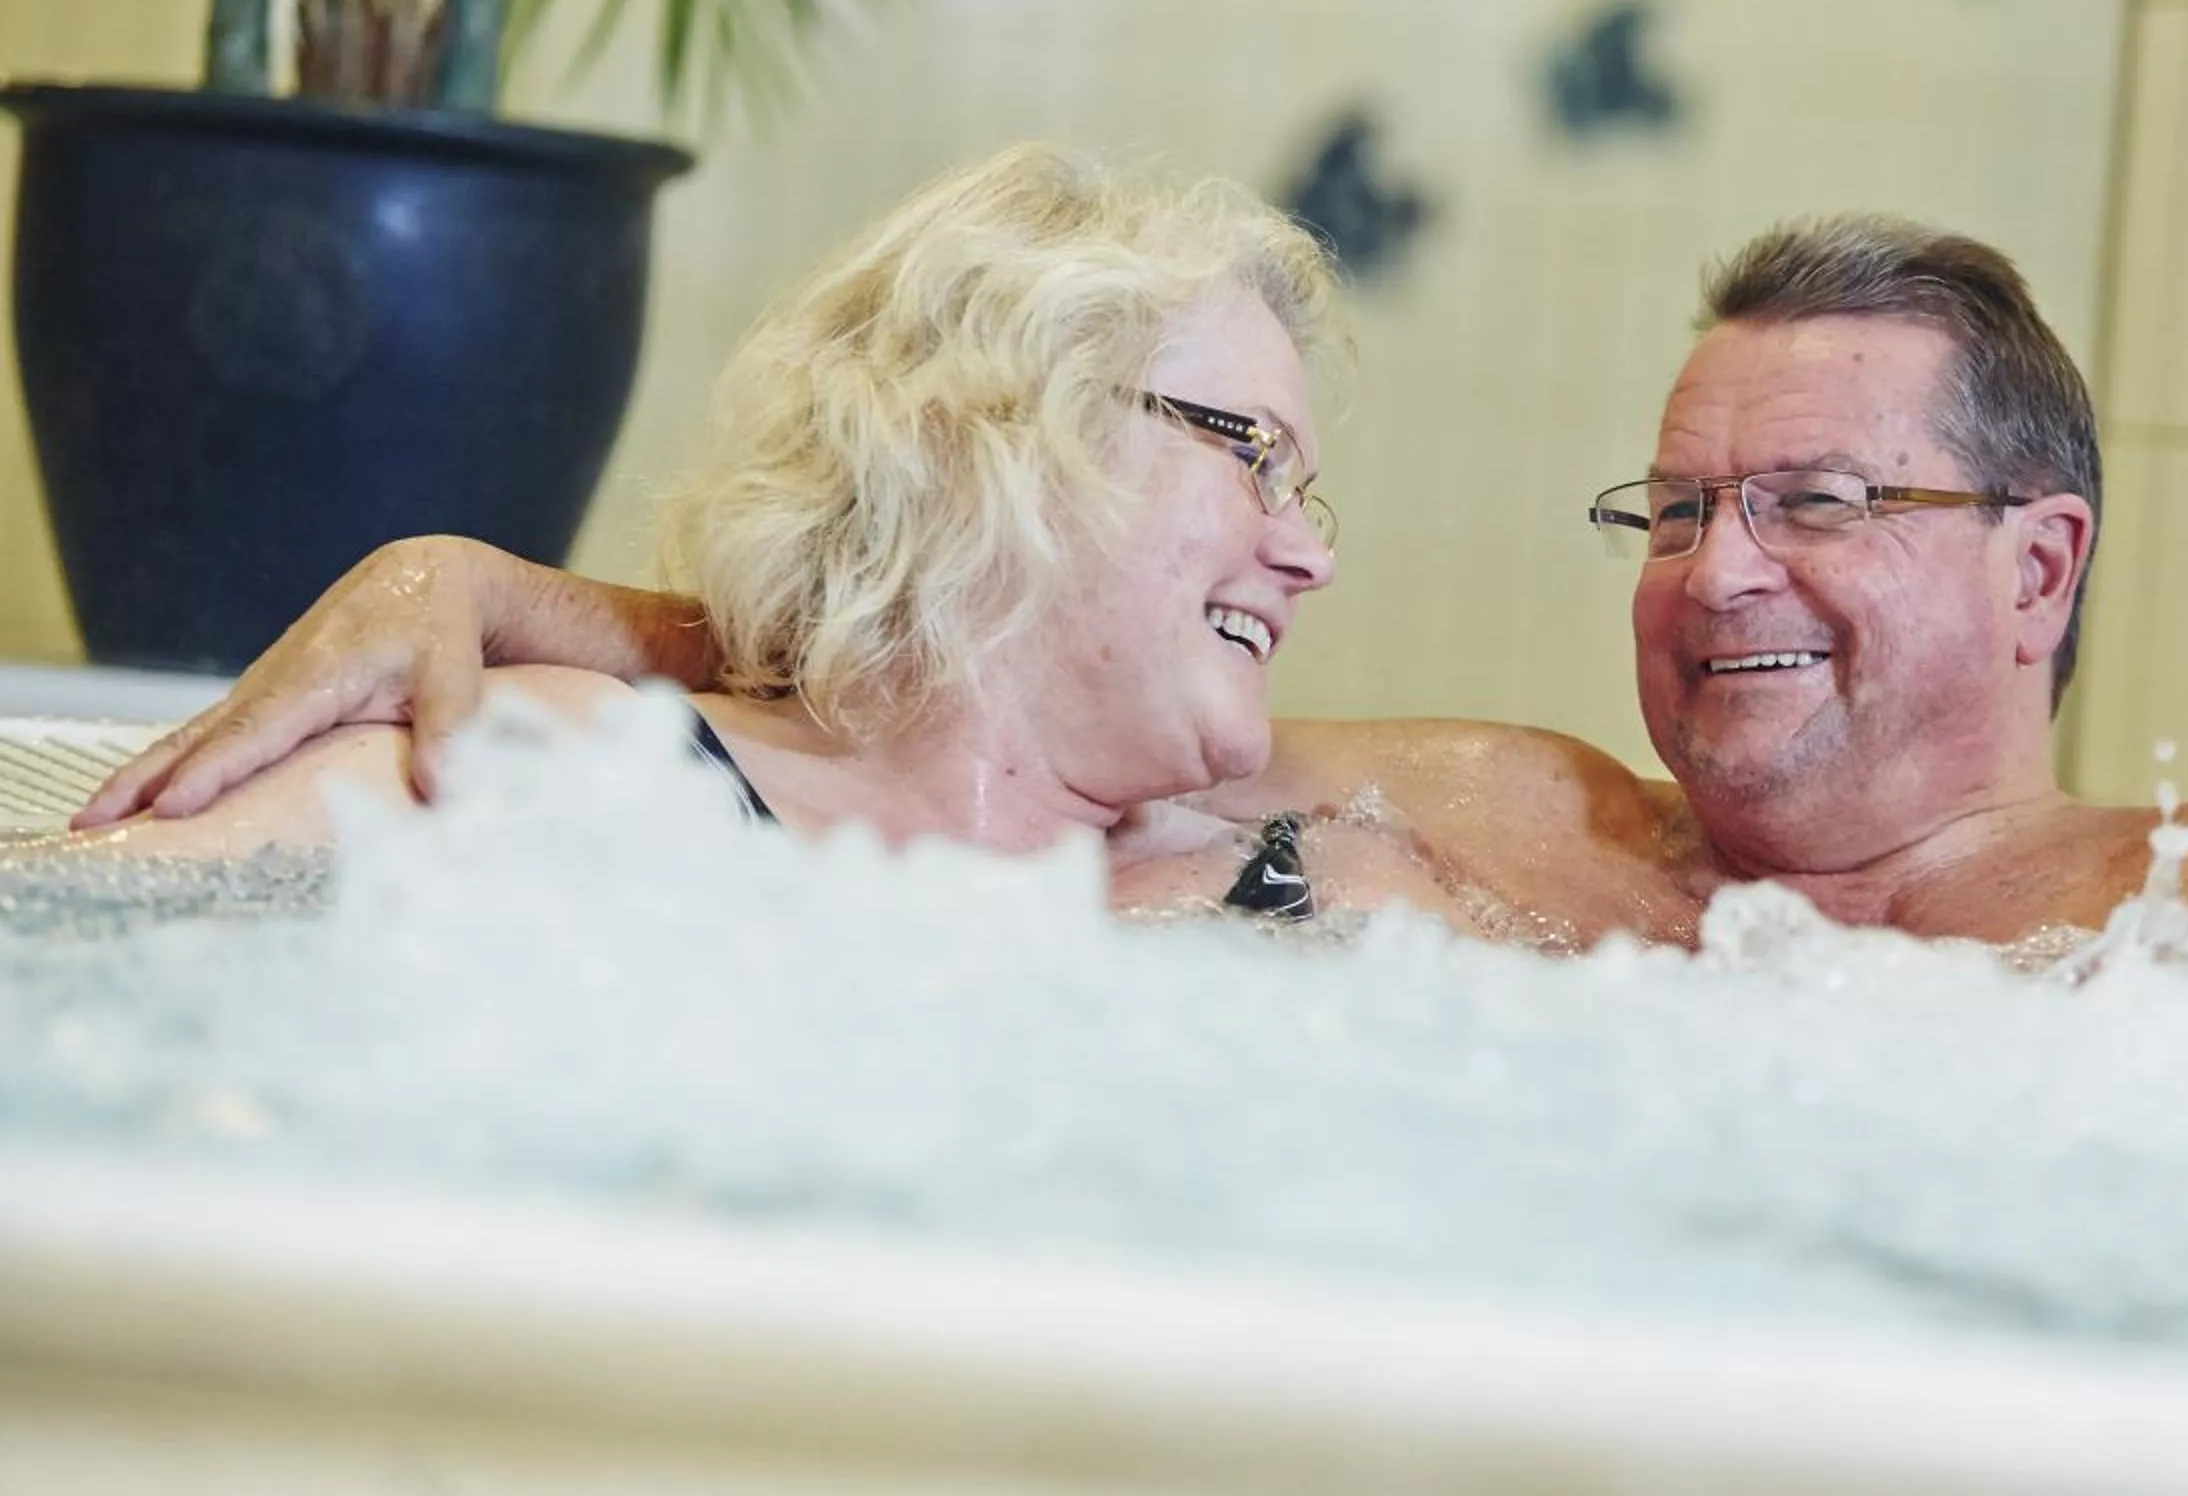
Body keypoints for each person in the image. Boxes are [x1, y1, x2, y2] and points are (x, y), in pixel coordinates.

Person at [78, 212, 2188, 985]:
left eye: (1814, 499)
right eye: (1677, 505)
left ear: (2043, 565)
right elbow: (972, 689)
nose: (1718, 574)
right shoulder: (1529, 822)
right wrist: (492, 588)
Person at [37, 143, 1604, 943]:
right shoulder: (550, 781)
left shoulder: (1327, 915)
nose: (1307, 555)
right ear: (996, 433)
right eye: (1250, 453)